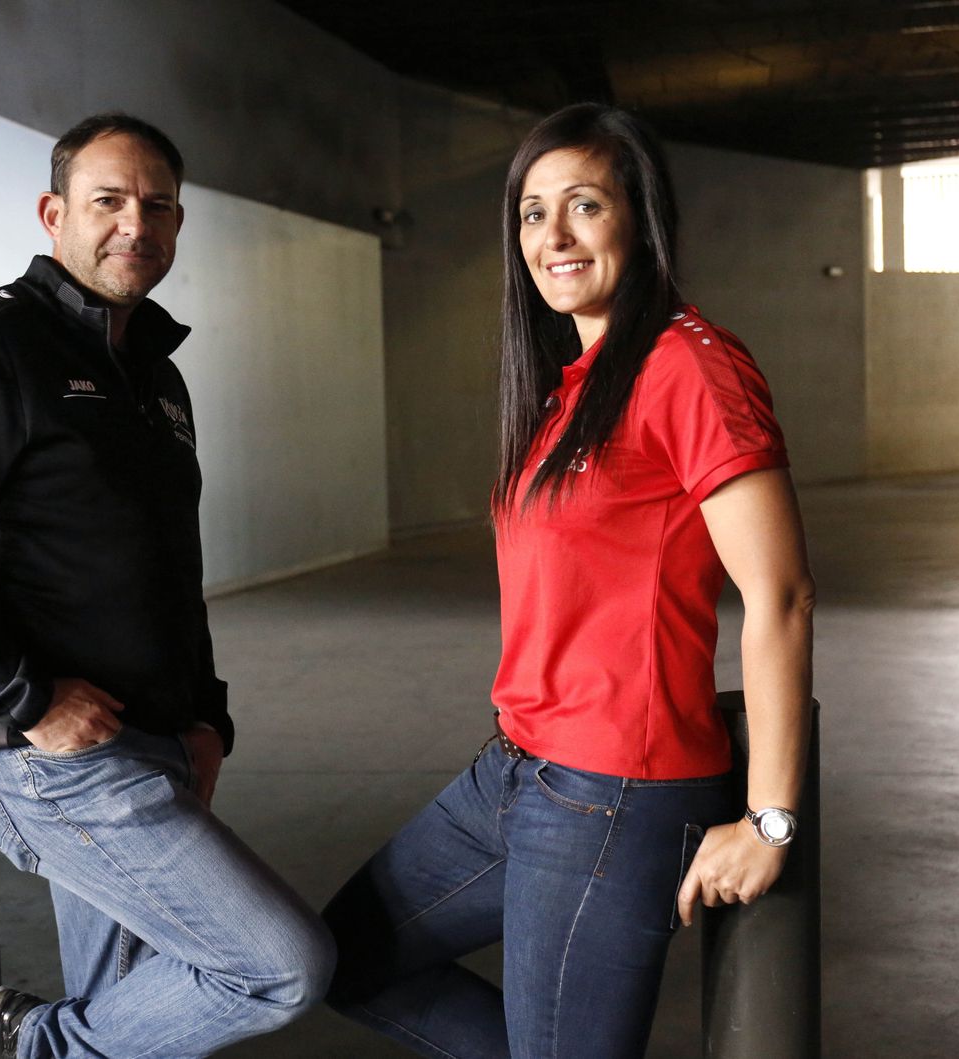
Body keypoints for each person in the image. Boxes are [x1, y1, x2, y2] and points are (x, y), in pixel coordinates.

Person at [322, 103, 815, 1059]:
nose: (553, 236)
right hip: (518, 768)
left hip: (618, 789)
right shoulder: (572, 388)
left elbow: (781, 594)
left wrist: (769, 817)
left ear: (640, 215)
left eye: (583, 205)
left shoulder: (690, 368)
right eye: (531, 213)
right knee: (343, 955)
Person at [0, 113, 332, 1059]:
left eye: (156, 207)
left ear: (179, 225)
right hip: (45, 747)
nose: (133, 226)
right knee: (281, 963)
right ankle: (30, 1046)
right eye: (108, 201)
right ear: (54, 211)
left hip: (148, 734)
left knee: (137, 1008)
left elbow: (166, 565)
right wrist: (22, 696)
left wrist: (205, 717)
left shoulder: (155, 379)